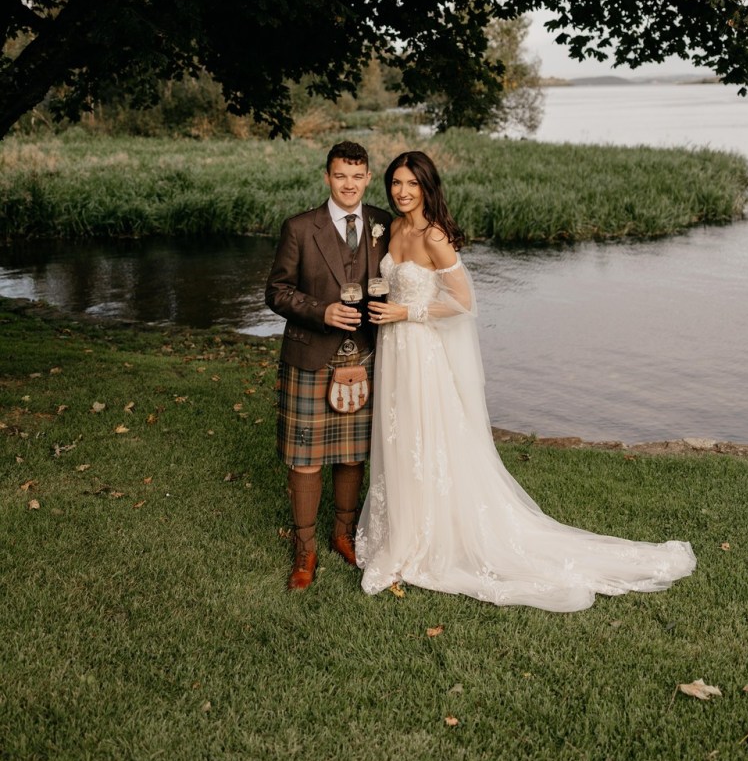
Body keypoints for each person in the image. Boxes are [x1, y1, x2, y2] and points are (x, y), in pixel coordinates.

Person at [356, 151, 696, 610]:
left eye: (411, 184)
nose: (401, 192)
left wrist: (406, 310)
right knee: (399, 437)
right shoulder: (393, 228)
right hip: (393, 349)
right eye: (396, 183)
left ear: (427, 187)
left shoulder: (435, 236)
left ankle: (434, 535)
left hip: (421, 352)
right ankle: (404, 528)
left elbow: (464, 303)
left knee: (426, 438)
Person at [266, 141, 392, 591]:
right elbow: (276, 292)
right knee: (305, 459)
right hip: (311, 356)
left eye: (357, 177)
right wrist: (322, 311)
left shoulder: (384, 223)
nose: (349, 185)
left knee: (353, 452)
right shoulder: (300, 228)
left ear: (368, 177)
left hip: (367, 354)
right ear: (327, 177)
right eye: (341, 176)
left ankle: (344, 533)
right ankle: (304, 549)